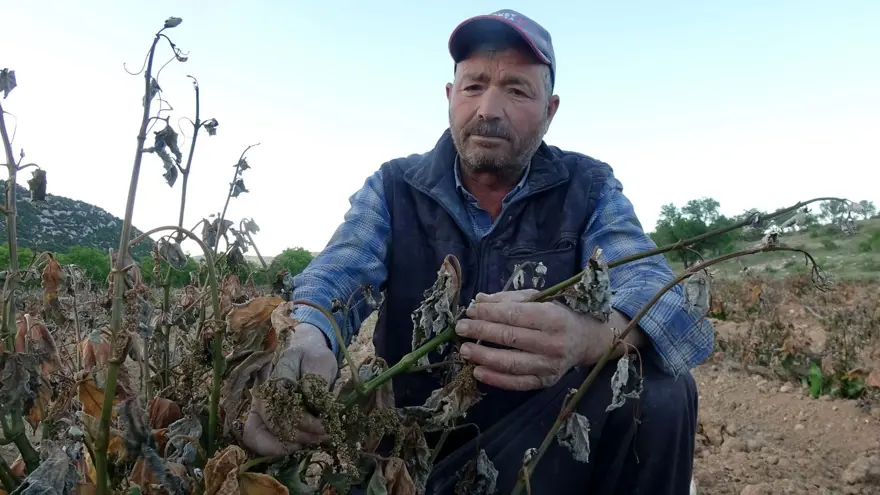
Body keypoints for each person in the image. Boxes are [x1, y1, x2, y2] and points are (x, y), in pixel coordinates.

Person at [243, 8, 713, 494]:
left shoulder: (588, 187)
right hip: (414, 457)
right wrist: (308, 335)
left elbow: (659, 291)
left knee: (660, 390)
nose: (489, 109)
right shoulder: (395, 187)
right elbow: (336, 274)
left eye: (516, 90)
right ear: (450, 96)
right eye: (473, 86)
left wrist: (589, 336)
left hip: (542, 450)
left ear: (550, 110)